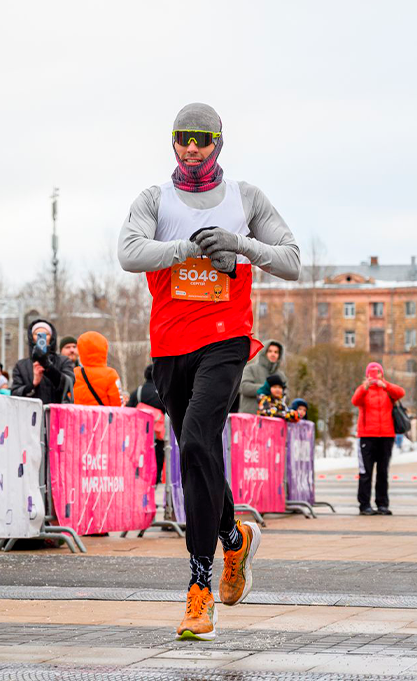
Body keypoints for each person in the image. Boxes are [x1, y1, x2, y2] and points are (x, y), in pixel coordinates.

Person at [118, 102, 300, 641]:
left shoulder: (247, 198)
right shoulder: (155, 199)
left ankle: (199, 591)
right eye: (182, 137)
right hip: (171, 345)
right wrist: (185, 248)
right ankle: (235, 539)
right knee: (194, 452)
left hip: (225, 339)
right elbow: (128, 253)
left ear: (218, 142)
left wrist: (240, 244)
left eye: (201, 138)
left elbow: (291, 261)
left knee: (198, 441)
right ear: (172, 142)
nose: (191, 147)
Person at [351, 362, 405, 515]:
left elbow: (401, 392)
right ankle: (364, 505)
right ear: (367, 375)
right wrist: (364, 387)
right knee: (365, 472)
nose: (375, 375)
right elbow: (354, 401)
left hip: (386, 436)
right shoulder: (364, 391)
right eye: (372, 373)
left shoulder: (387, 390)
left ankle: (382, 504)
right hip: (367, 437)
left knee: (383, 472)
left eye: (378, 372)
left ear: (382, 374)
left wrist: (385, 385)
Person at [11, 319, 75, 405]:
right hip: (31, 415)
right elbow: (15, 393)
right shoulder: (21, 366)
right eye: (37, 334)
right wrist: (33, 384)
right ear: (31, 338)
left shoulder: (63, 361)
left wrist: (48, 367)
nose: (41, 337)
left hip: (56, 415)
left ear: (52, 337)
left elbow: (68, 385)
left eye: (46, 334)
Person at [127, 364, 167, 483]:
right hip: (159, 433)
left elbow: (129, 409)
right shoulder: (163, 391)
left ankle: (142, 482)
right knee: (158, 457)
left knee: (141, 458)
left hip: (140, 434)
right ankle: (155, 482)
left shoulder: (138, 392)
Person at [72, 331, 125, 407]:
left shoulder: (74, 373)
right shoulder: (110, 374)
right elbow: (118, 404)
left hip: (78, 417)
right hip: (102, 418)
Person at [237, 341, 285, 415]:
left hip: (274, 419)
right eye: (270, 351)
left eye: (276, 352)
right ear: (264, 353)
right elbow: (243, 387)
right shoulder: (250, 369)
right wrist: (267, 388)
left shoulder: (281, 375)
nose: (273, 354)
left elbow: (286, 395)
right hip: (250, 417)